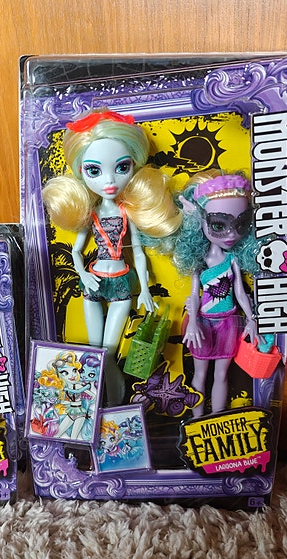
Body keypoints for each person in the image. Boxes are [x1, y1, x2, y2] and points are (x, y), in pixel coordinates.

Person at [42, 109, 181, 405]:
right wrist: (82, 273)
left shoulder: (127, 211)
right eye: (94, 171)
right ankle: (97, 404)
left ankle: (112, 406)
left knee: (109, 352)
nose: (108, 181)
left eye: (122, 167)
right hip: (94, 281)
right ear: (81, 172)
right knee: (95, 353)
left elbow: (139, 252)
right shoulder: (89, 213)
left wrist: (145, 289)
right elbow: (76, 251)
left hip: (121, 283)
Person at [171, 170, 259, 416]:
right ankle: (196, 421)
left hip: (228, 323)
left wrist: (251, 319)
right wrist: (192, 322)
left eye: (240, 224)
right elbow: (194, 294)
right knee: (199, 374)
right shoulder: (200, 262)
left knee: (221, 375)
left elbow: (239, 292)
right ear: (200, 221)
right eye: (219, 225)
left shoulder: (232, 260)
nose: (231, 234)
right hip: (203, 323)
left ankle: (217, 419)